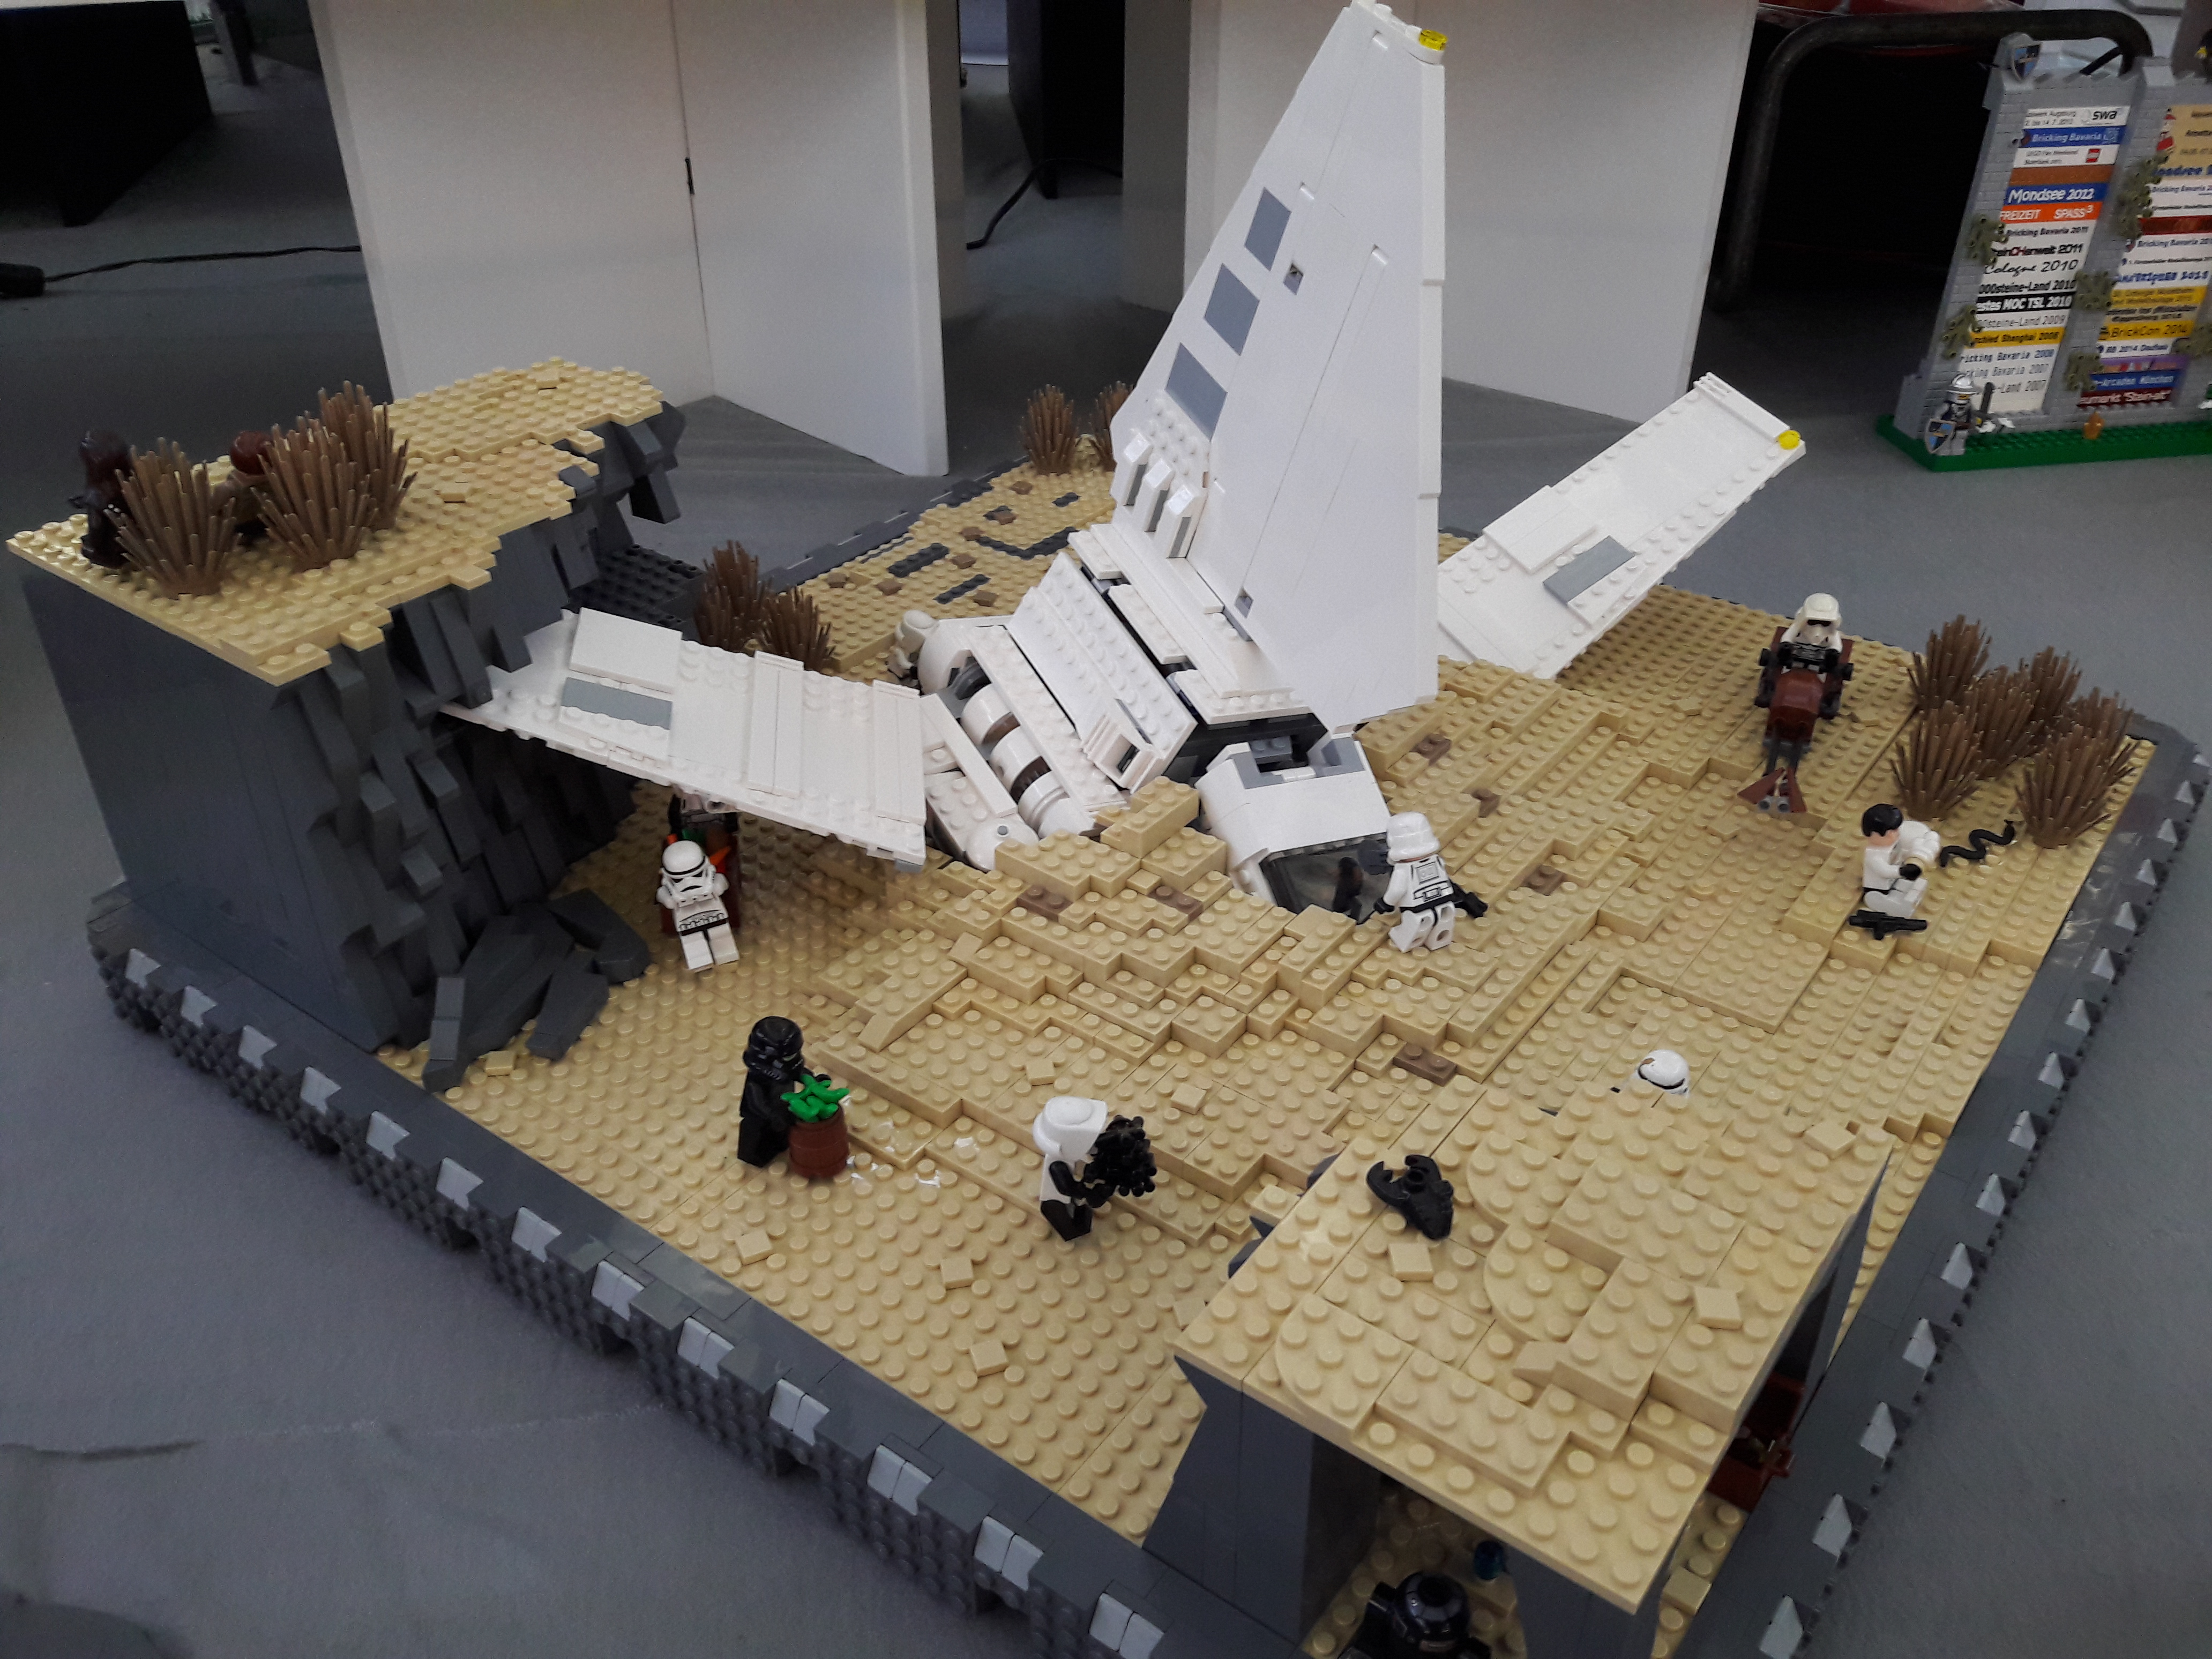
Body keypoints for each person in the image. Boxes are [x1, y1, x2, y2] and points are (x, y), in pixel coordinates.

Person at [737, 1016, 813, 1167]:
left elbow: (798, 1073)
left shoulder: (787, 1069)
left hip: (781, 1109)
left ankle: (779, 1145)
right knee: (756, 1141)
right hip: (760, 1118)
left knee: (781, 1136)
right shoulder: (758, 1079)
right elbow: (756, 1101)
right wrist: (771, 1115)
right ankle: (754, 1157)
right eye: (789, 1057)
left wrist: (812, 1079)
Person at [656, 839, 738, 970]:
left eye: (697, 875)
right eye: (679, 879)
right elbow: (661, 894)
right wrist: (668, 899)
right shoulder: (669, 890)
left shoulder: (713, 881)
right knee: (692, 941)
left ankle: (725, 954)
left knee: (721, 935)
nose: (689, 883)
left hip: (714, 911)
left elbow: (723, 883)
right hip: (686, 918)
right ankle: (700, 961)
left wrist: (717, 886)